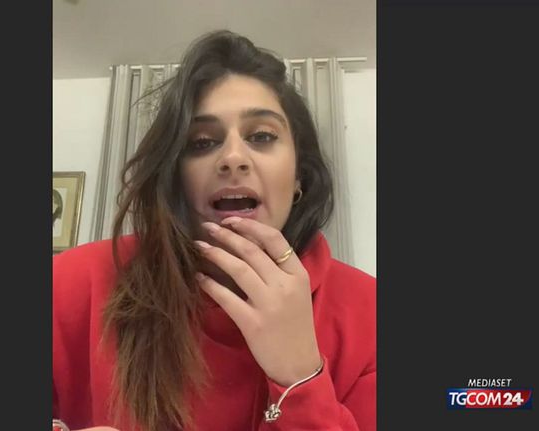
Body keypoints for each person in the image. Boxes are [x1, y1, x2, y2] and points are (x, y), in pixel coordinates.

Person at [53, 30, 376, 431]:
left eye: (262, 136)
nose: (233, 158)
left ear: (299, 177)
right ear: (174, 176)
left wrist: (300, 376)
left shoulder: (371, 313)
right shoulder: (71, 283)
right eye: (202, 142)